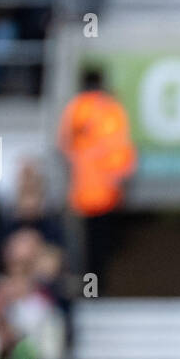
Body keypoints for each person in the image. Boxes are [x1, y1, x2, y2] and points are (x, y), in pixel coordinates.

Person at [58, 67, 135, 279]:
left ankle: (91, 289)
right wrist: (119, 180)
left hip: (82, 191)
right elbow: (123, 149)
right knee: (104, 245)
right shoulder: (111, 109)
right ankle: (100, 289)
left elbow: (64, 146)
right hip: (108, 192)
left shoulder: (74, 109)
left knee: (85, 247)